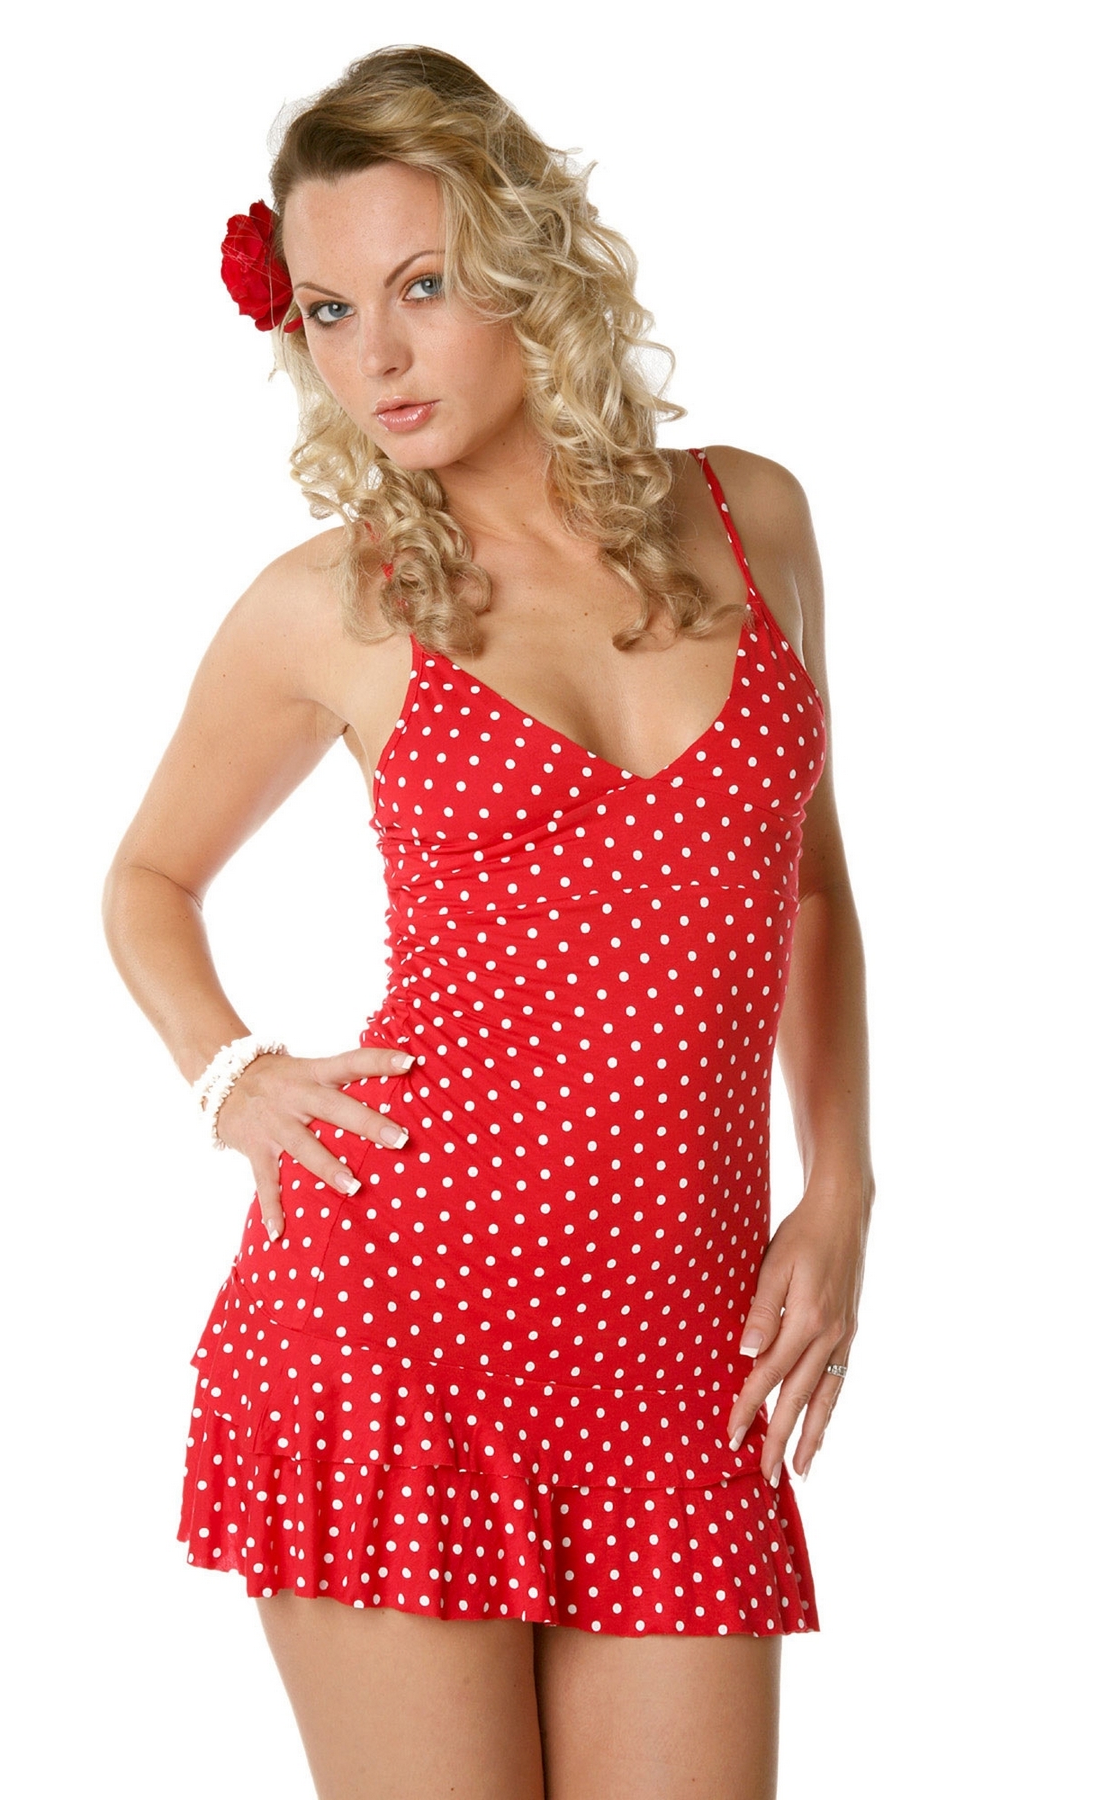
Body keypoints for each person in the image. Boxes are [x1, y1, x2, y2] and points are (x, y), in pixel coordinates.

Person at [102, 43, 875, 1800]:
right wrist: (230, 1076)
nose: (373, 355)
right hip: (399, 1330)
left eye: (423, 286)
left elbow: (812, 885)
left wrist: (841, 1186)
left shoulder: (752, 519)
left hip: (682, 1357)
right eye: (327, 310)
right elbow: (146, 880)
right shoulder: (338, 606)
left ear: (531, 265)